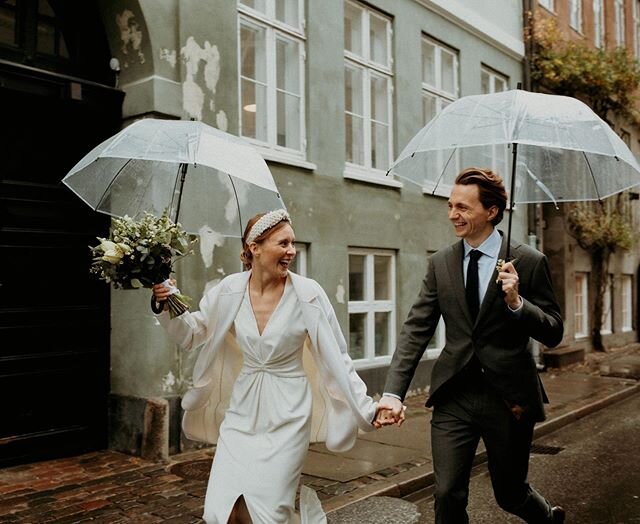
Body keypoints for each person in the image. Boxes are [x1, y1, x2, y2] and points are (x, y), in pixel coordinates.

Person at [152, 209, 381, 524]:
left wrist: (367, 409)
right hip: (242, 412)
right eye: (283, 243)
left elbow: (337, 357)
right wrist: (167, 302)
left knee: (266, 515)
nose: (291, 251)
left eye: (292, 243)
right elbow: (191, 334)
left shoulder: (308, 294)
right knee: (223, 512)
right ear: (254, 248)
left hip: (288, 414)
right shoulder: (228, 290)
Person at [376, 168, 566, 523]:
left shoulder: (528, 261)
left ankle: (546, 518)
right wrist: (393, 393)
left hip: (509, 399)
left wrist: (517, 304)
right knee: (447, 493)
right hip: (454, 394)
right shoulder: (441, 263)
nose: (452, 214)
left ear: (491, 211)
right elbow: (417, 329)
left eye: (463, 207)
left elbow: (554, 332)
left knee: (510, 493)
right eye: (450, 206)